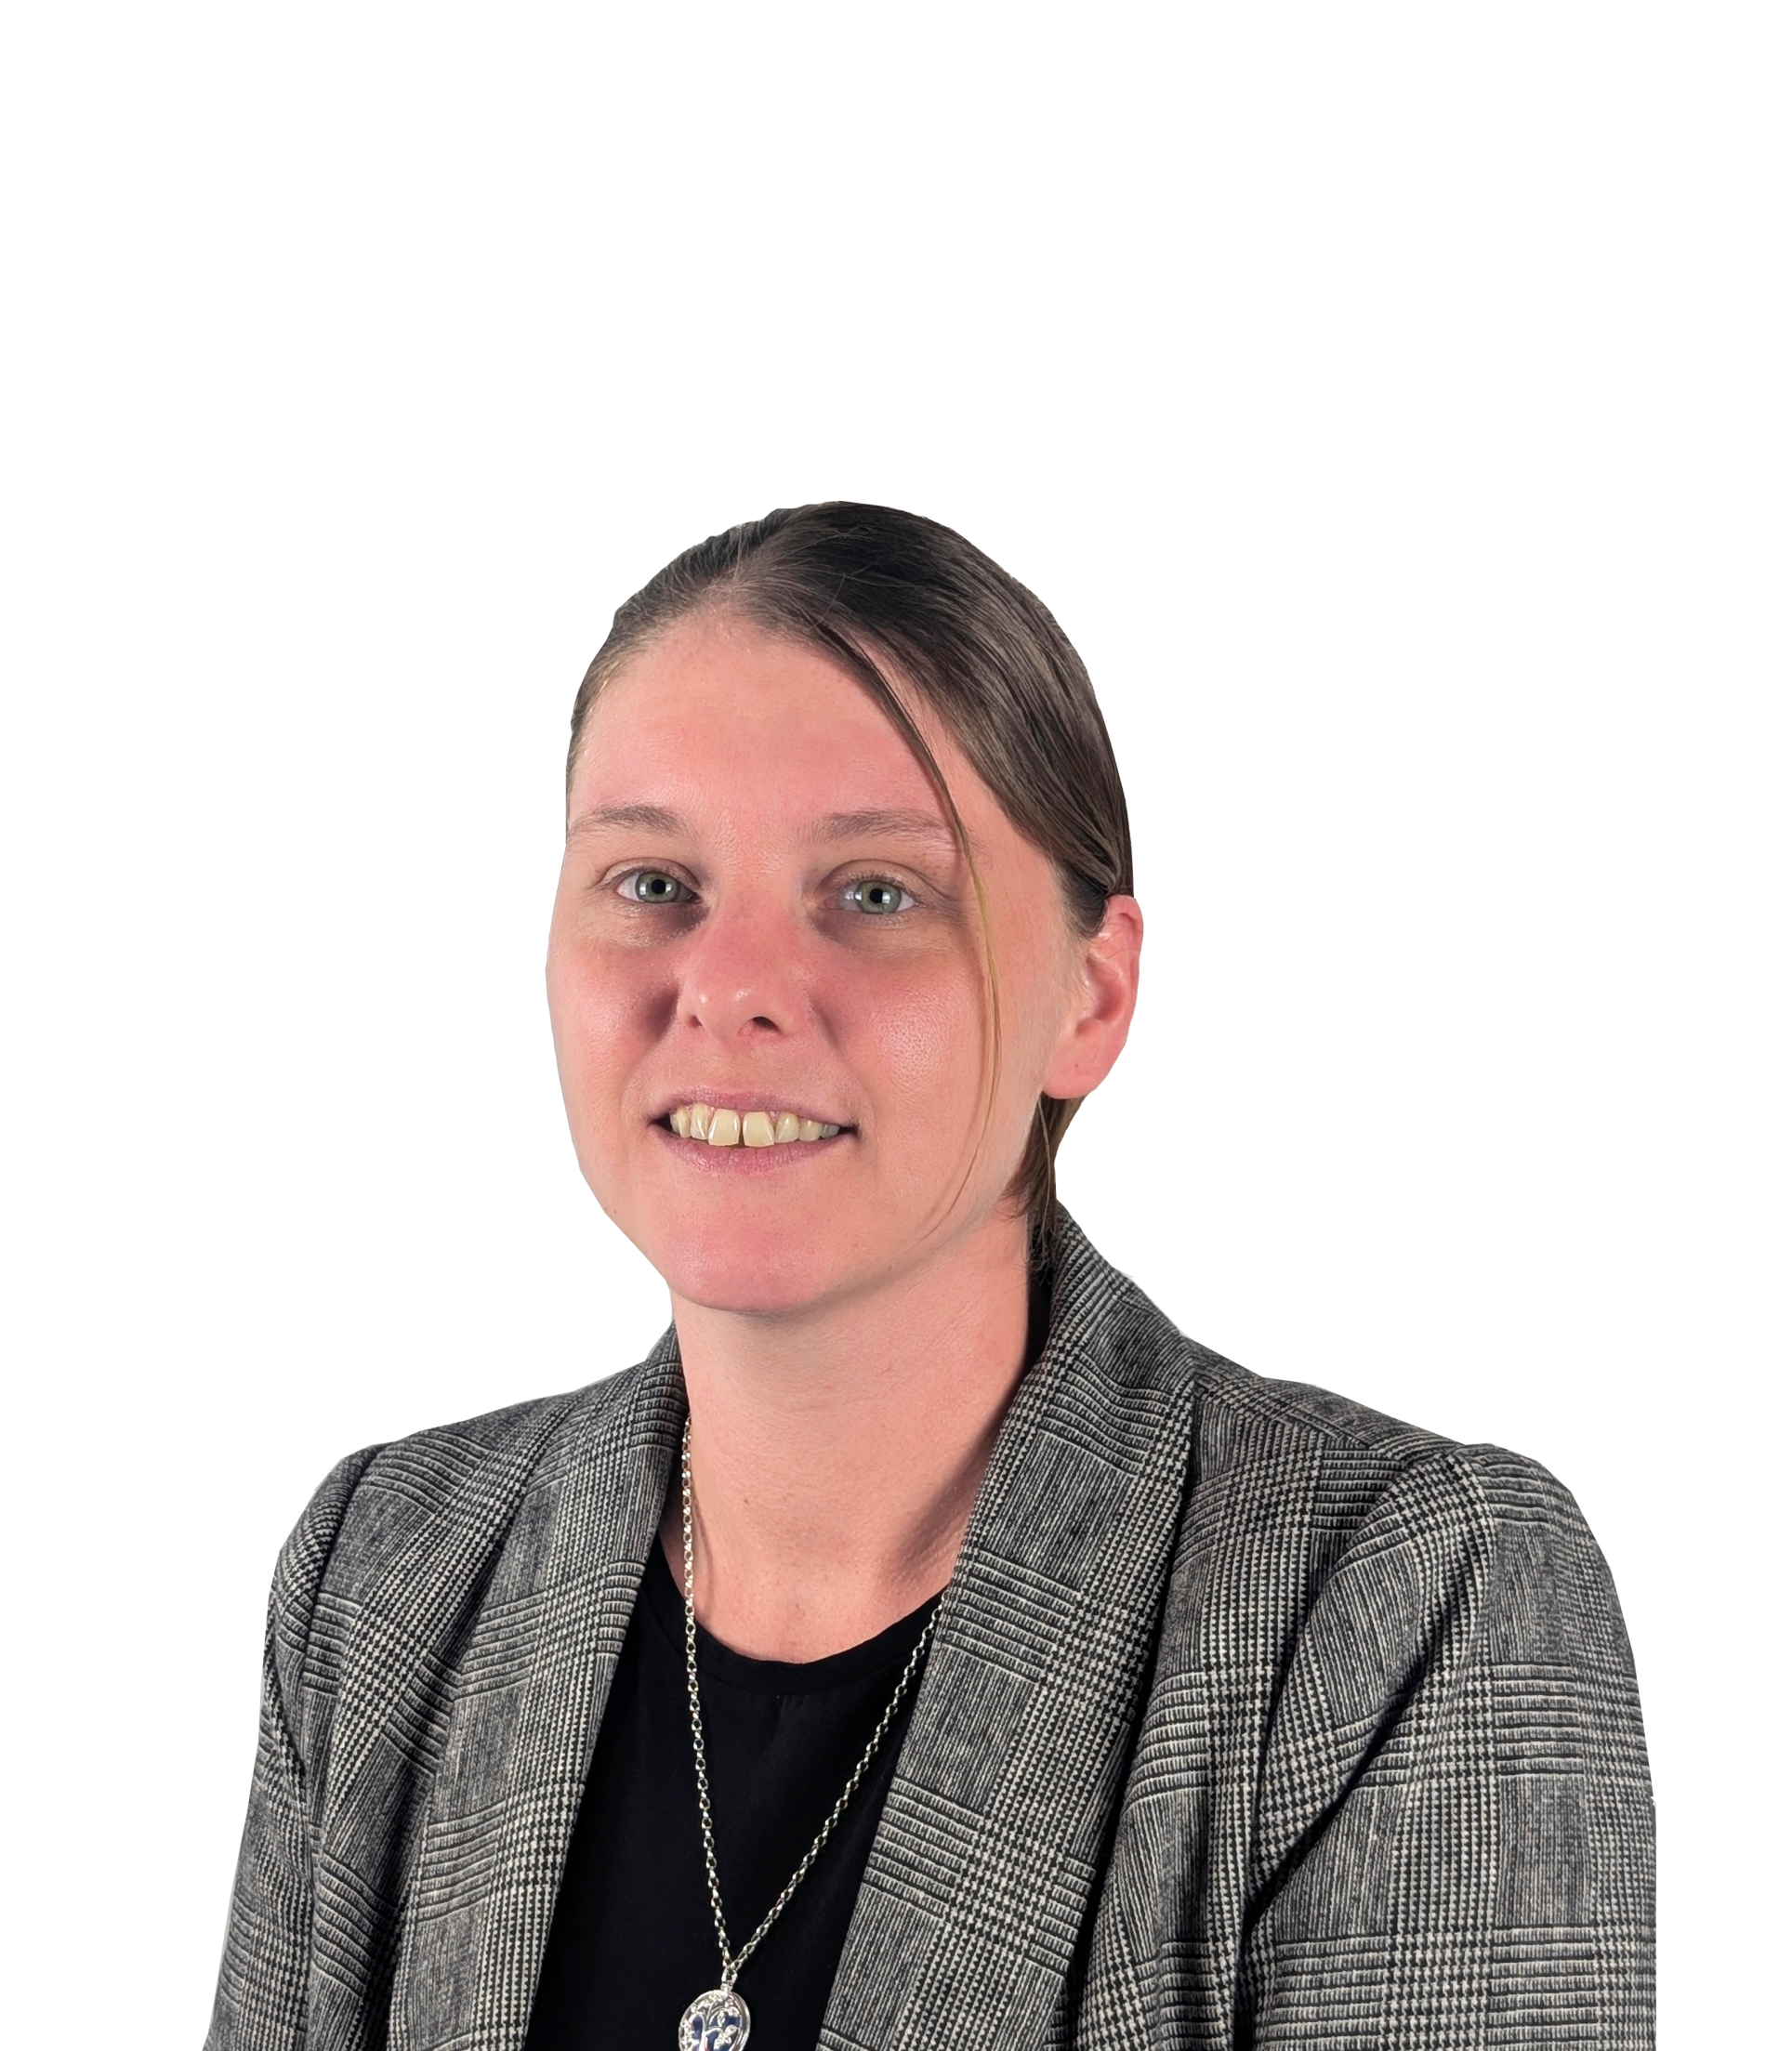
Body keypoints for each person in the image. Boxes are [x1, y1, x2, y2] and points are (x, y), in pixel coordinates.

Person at [205, 504, 1654, 2051]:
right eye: (654, 883)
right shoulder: (387, 1575)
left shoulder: (1399, 1606)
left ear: (1091, 996)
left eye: (877, 893)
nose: (733, 989)